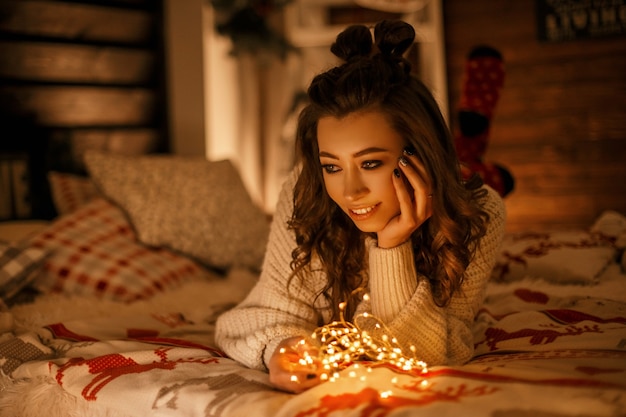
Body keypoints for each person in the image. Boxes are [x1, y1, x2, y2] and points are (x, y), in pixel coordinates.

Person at [215, 19, 506, 394]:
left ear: (420, 154)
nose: (350, 191)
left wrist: (392, 246)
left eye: (370, 163)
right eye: (332, 166)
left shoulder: (480, 212)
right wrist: (281, 349)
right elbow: (260, 315)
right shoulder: (308, 190)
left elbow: (430, 353)